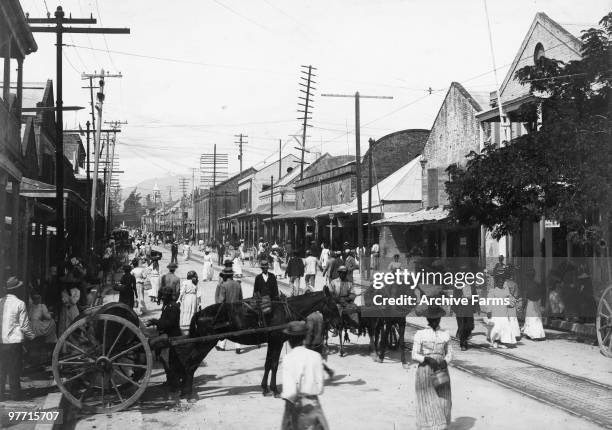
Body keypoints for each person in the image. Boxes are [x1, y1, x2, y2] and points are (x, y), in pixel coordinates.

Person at [280, 321, 329, 430]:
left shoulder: (288, 358)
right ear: (304, 337)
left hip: (297, 410)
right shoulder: (316, 356)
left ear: (289, 339)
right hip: (315, 408)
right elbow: (320, 388)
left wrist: (285, 422)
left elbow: (290, 392)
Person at [411, 305, 452, 430]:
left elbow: (449, 352)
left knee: (443, 398)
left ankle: (441, 425)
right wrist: (427, 359)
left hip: (441, 369)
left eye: (437, 319)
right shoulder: (420, 334)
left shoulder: (445, 334)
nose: (435, 321)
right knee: (427, 398)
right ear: (428, 320)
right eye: (432, 319)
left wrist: (446, 361)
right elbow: (414, 354)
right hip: (425, 370)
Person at [0, 277, 35, 400]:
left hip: (1, 342)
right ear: (17, 290)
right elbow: (25, 326)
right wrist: (32, 337)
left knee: (2, 368)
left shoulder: (0, 302)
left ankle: (1, 395)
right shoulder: (20, 304)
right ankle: (15, 395)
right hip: (14, 342)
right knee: (14, 368)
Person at [146, 285, 184, 398]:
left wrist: (155, 322)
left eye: (163, 296)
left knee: (168, 360)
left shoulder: (173, 307)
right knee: (164, 359)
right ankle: (170, 381)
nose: (162, 298)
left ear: (168, 296)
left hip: (172, 336)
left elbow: (169, 324)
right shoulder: (167, 305)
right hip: (166, 334)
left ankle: (174, 385)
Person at [215, 267, 244, 353]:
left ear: (225, 276)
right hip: (237, 309)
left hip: (227, 310)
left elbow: (221, 300)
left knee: (225, 328)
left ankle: (222, 346)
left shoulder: (224, 285)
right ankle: (238, 347)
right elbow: (241, 298)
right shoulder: (238, 284)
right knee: (237, 328)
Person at [486, 268, 517, 349]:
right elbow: (489, 302)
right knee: (496, 328)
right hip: (495, 313)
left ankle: (501, 341)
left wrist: (512, 303)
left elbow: (511, 300)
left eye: (502, 281)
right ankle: (495, 341)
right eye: (499, 281)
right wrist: (488, 311)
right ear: (496, 282)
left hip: (504, 312)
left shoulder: (506, 292)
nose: (501, 282)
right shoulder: (493, 291)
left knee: (504, 327)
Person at [305, 311, 334, 379]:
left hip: (312, 341)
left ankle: (325, 372)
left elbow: (310, 330)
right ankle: (328, 371)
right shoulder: (319, 315)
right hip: (319, 339)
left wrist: (307, 341)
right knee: (317, 359)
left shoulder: (309, 316)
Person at [452, 266, 475, 351]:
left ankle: (464, 337)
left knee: (469, 327)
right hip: (460, 308)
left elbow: (475, 296)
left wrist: (477, 307)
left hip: (469, 308)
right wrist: (454, 308)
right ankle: (463, 343)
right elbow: (455, 296)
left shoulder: (472, 285)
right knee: (461, 326)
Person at [522, 268, 546, 340]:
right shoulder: (537, 284)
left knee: (530, 319)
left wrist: (523, 306)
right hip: (536, 303)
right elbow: (542, 294)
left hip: (530, 304)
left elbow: (526, 296)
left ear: (528, 277)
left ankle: (533, 334)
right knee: (536, 318)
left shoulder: (528, 285)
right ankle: (539, 334)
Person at [503, 267, 521, 341]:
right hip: (512, 301)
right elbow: (516, 295)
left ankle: (506, 333)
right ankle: (515, 334)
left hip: (505, 301)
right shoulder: (514, 284)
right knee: (513, 318)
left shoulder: (503, 284)